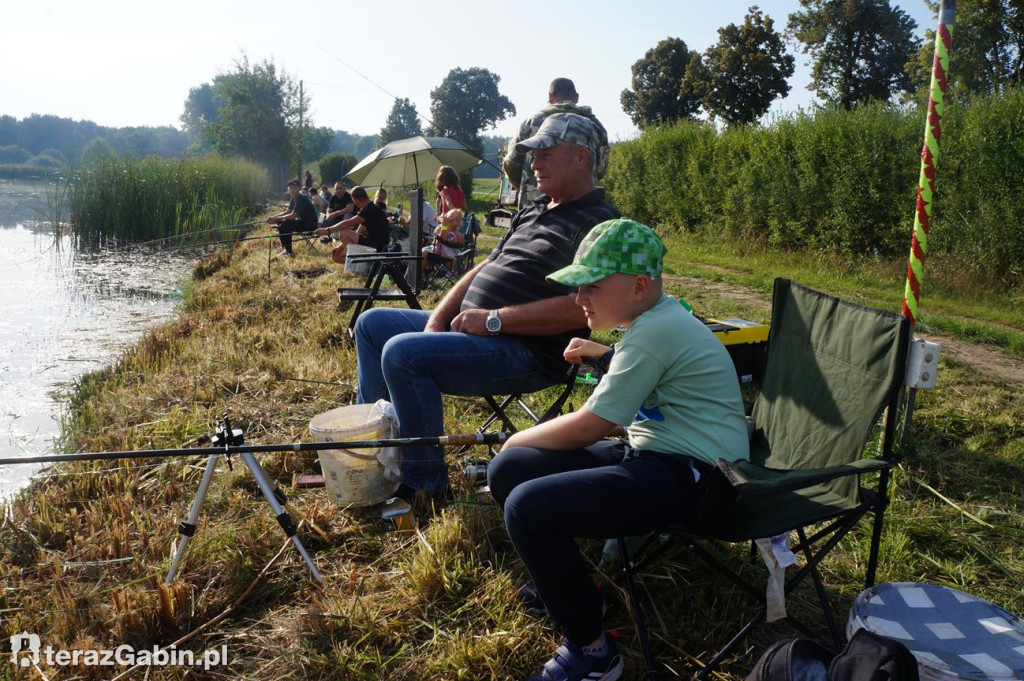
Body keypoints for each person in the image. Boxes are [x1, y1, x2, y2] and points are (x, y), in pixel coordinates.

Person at [488, 219, 750, 681]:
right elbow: (651, 371)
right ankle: (573, 588)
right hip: (656, 459)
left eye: (590, 287)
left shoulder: (655, 331)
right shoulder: (658, 321)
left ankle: (593, 654)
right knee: (511, 469)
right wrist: (604, 353)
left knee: (527, 506)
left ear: (639, 286)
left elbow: (594, 425)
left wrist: (515, 435)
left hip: (701, 481)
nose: (578, 299)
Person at [353, 112, 620, 508]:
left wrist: (494, 321)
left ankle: (425, 484)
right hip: (472, 330)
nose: (533, 163)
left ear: (581, 157)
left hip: (529, 353)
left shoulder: (603, 224)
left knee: (402, 353)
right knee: (372, 323)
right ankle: (373, 454)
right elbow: (484, 267)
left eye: (545, 153)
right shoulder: (533, 209)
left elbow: (586, 311)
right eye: (532, 154)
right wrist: (439, 321)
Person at [503, 78, 610, 211]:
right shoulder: (595, 126)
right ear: (576, 97)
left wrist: (527, 184)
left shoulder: (531, 122)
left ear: (550, 97)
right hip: (582, 205)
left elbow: (511, 163)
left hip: (533, 205)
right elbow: (601, 169)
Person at [313, 185, 391, 262]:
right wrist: (341, 246)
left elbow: (347, 223)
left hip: (378, 246)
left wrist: (327, 230)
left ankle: (355, 263)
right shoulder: (368, 209)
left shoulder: (369, 209)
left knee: (343, 232)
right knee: (337, 257)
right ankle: (357, 262)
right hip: (373, 244)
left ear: (355, 199)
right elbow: (358, 232)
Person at [266, 179, 317, 257]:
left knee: (286, 223)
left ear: (299, 188)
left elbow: (292, 216)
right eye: (290, 188)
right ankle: (284, 247)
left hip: (310, 226)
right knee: (280, 222)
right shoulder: (293, 198)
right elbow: (287, 212)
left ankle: (289, 251)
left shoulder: (302, 199)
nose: (292, 190)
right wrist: (273, 217)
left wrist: (276, 219)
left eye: (294, 188)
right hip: (303, 223)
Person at [421, 208, 465, 272]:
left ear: (458, 224)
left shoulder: (456, 233)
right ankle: (425, 270)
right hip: (437, 249)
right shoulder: (440, 228)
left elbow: (443, 239)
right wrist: (443, 226)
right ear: (446, 217)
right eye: (451, 216)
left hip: (446, 254)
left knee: (424, 252)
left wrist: (461, 239)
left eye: (455, 219)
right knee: (421, 251)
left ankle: (422, 273)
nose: (452, 219)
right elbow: (439, 237)